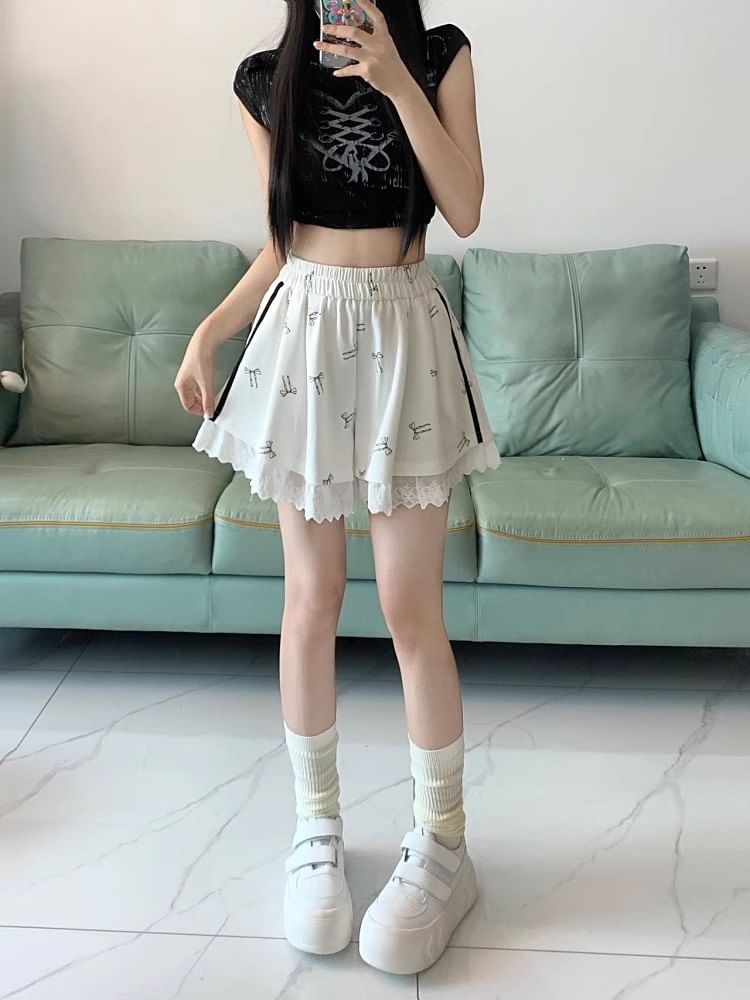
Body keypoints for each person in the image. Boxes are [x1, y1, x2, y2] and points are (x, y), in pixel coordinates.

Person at [174, 0, 501, 976]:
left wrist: (398, 80)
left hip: (404, 329)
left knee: (409, 608)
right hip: (304, 329)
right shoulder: (261, 81)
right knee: (310, 599)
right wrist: (209, 329)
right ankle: (316, 830)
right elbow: (283, 240)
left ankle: (443, 841)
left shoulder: (438, 55)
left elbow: (466, 206)